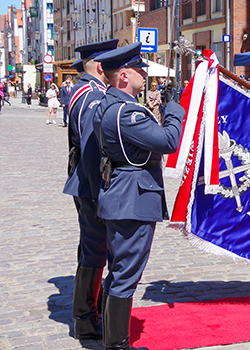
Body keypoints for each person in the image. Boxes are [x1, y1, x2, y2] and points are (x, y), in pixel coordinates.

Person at [92, 42, 184, 350]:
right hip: (132, 200)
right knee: (126, 274)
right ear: (123, 76)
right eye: (139, 70)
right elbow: (168, 141)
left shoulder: (106, 105)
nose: (145, 75)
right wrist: (174, 108)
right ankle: (117, 345)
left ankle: (110, 335)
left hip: (119, 196)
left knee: (118, 269)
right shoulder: (126, 112)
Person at [62, 38, 119, 341]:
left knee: (91, 248)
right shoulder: (93, 96)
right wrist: (102, 195)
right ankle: (86, 318)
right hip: (91, 185)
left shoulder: (83, 91)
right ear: (101, 67)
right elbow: (92, 149)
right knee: (95, 251)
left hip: (84, 182)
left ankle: (88, 312)